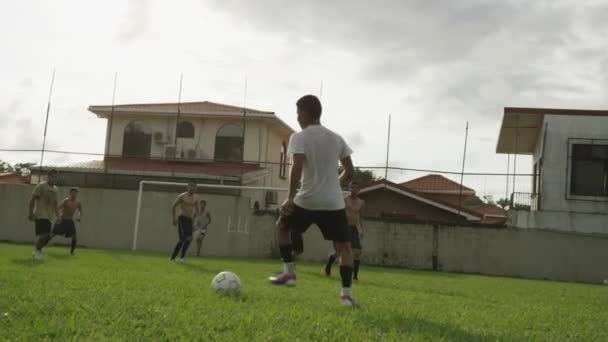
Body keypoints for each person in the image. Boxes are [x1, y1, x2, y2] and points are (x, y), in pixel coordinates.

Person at [268, 94, 358, 307]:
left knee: (282, 227)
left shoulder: (299, 137)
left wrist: (290, 198)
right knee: (345, 248)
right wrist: (335, 184)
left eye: (298, 112)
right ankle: (346, 296)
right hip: (333, 202)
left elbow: (297, 167)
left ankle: (289, 274)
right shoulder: (337, 138)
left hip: (307, 200)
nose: (297, 117)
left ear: (306, 113)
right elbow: (350, 170)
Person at [325, 181, 365, 280]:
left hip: (354, 229)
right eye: (351, 187)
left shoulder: (362, 202)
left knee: (357, 252)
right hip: (343, 228)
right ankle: (328, 266)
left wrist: (361, 229)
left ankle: (355, 277)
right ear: (349, 188)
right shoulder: (344, 200)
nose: (353, 190)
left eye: (355, 188)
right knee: (339, 252)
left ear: (359, 190)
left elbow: (360, 217)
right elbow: (338, 214)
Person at [28, 169, 60, 260]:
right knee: (44, 235)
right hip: (40, 214)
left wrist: (58, 216)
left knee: (47, 237)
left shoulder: (56, 189)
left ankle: (36, 250)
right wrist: (30, 213)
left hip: (49, 216)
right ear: (48, 176)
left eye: (56, 177)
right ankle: (37, 252)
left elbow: (55, 204)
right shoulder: (41, 186)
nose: (54, 179)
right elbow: (32, 200)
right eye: (53, 176)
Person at [170, 180, 199, 262]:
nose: (192, 188)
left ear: (196, 188)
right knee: (183, 238)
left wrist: (193, 221)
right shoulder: (182, 196)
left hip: (189, 219)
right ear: (187, 187)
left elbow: (197, 211)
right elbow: (173, 206)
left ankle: (182, 258)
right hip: (181, 218)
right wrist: (173, 218)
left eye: (194, 186)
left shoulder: (196, 198)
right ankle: (173, 258)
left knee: (189, 239)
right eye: (191, 186)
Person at [49, 187, 83, 255]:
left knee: (74, 237)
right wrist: (58, 216)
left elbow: (80, 211)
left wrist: (79, 217)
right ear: (70, 193)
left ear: (77, 194)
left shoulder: (78, 202)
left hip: (69, 221)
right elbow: (58, 208)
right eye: (72, 193)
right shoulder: (66, 200)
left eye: (75, 193)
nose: (74, 194)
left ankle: (72, 252)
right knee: (52, 235)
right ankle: (40, 246)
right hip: (62, 220)